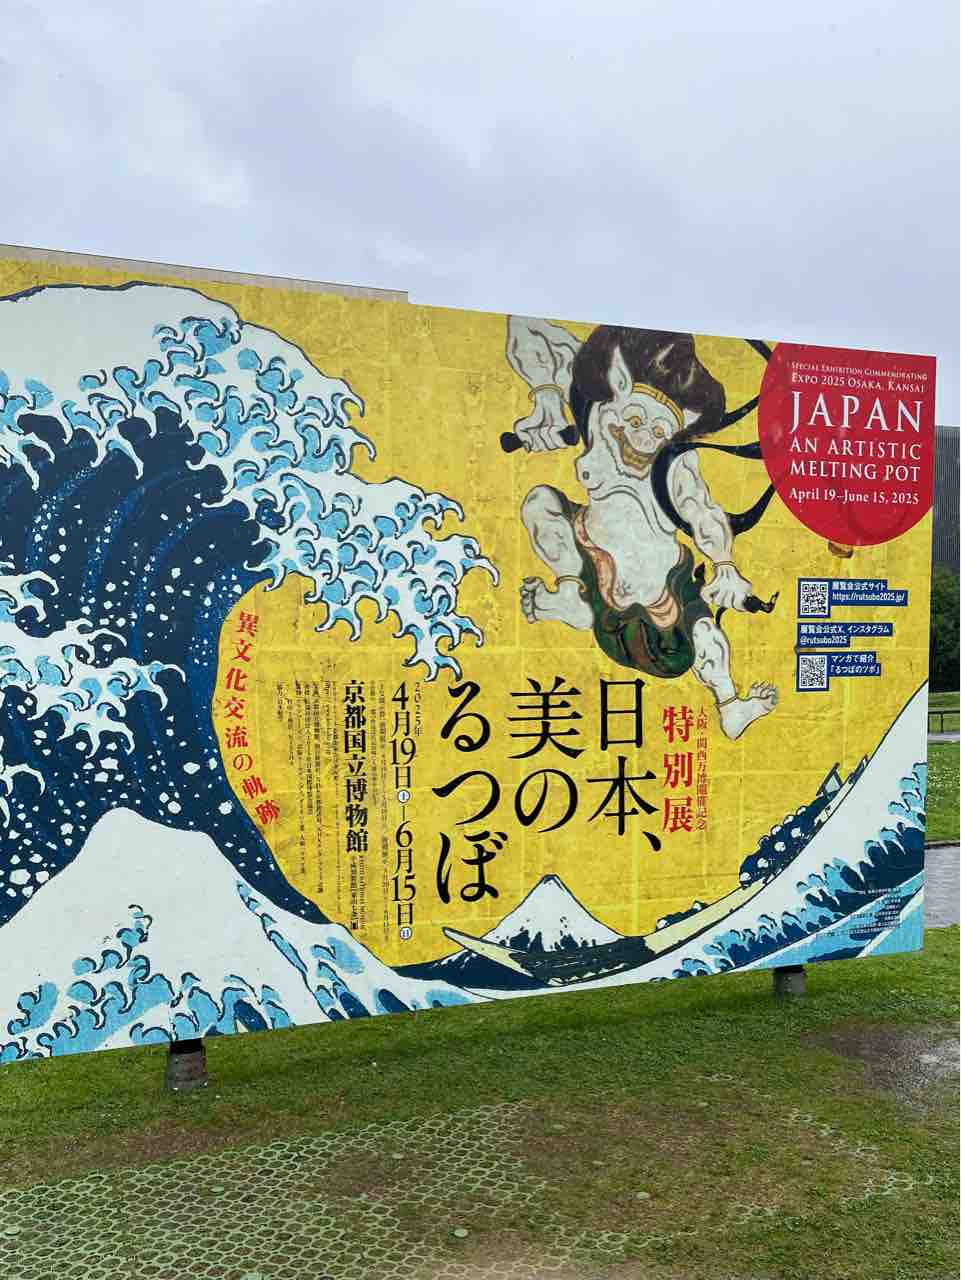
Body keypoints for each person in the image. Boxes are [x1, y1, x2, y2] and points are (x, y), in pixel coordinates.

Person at [506, 317, 777, 741]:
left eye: (659, 430)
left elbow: (702, 511)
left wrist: (724, 564)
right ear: (619, 390)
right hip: (588, 564)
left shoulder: (677, 460)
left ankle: (730, 704)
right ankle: (571, 595)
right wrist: (544, 395)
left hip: (661, 616)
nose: (645, 439)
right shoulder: (596, 413)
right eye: (635, 421)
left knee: (705, 632)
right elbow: (525, 327)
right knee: (540, 504)